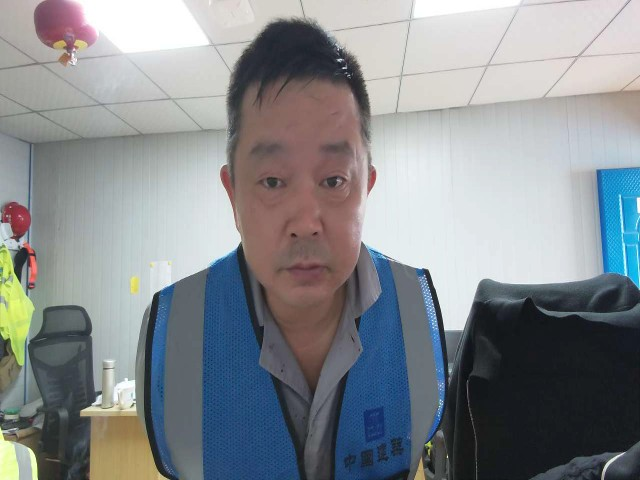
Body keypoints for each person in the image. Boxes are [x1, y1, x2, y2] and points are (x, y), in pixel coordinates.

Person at [136, 18, 446, 480]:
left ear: (366, 188)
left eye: (334, 180)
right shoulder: (173, 333)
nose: (305, 223)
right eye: (272, 181)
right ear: (233, 194)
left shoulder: (414, 315)